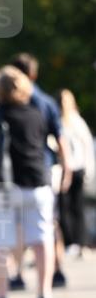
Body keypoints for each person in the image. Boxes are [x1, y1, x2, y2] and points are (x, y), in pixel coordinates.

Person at [0, 65, 64, 298]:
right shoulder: (37, 113)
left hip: (2, 188)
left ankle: (1, 296)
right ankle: (44, 293)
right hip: (36, 183)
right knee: (42, 240)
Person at [9, 53, 71, 288]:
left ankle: (18, 274)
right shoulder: (46, 102)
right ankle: (56, 270)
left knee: (18, 225)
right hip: (44, 168)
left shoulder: (6, 104)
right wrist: (67, 168)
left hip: (16, 173)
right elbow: (60, 138)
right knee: (49, 223)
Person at [57, 89, 94, 256]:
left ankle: (80, 242)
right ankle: (68, 242)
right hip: (62, 169)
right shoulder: (57, 121)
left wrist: (89, 169)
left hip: (77, 169)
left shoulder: (77, 121)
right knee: (63, 207)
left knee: (77, 207)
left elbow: (87, 147)